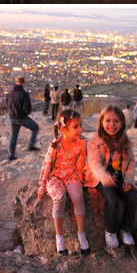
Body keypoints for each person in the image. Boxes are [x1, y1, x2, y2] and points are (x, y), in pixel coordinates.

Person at [86, 106, 137, 252]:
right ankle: (110, 231)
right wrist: (103, 176)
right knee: (112, 200)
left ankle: (126, 229)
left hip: (119, 176)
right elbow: (94, 161)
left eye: (116, 121)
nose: (112, 125)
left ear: (122, 123)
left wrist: (129, 180)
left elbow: (130, 162)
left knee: (132, 197)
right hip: (100, 177)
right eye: (108, 121)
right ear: (101, 122)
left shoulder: (125, 141)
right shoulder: (96, 141)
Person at [37, 109, 90, 255]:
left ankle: (81, 233)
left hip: (72, 175)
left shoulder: (82, 143)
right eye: (75, 127)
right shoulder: (56, 144)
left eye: (80, 125)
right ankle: (59, 237)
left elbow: (80, 164)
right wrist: (42, 183)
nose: (80, 129)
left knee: (78, 198)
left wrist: (81, 179)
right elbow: (47, 163)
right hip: (56, 176)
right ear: (63, 129)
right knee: (59, 198)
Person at [7, 74, 39, 162]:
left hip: (11, 117)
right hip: (21, 117)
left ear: (16, 81)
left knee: (13, 137)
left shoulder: (10, 92)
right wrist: (26, 113)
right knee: (35, 127)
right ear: (24, 82)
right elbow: (27, 109)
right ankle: (31, 145)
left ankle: (11, 155)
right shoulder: (24, 94)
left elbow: (7, 103)